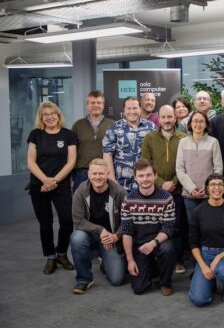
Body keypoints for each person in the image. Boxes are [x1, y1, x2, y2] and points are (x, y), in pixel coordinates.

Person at [27, 101, 77, 274]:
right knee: (45, 223)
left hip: (61, 185)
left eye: (52, 113)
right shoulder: (35, 135)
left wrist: (53, 181)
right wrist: (45, 181)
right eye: (45, 114)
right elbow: (30, 162)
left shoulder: (68, 135)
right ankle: (50, 256)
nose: (49, 117)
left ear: (58, 115)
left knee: (67, 220)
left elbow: (71, 162)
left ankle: (62, 254)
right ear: (41, 117)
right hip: (38, 185)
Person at [141, 105, 188, 274]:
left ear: (175, 118)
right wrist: (161, 183)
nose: (167, 120)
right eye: (163, 117)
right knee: (155, 226)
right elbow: (145, 164)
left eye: (170, 117)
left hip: (178, 191)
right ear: (158, 119)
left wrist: (173, 182)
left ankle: (178, 260)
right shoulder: (149, 138)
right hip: (156, 191)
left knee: (176, 226)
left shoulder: (184, 138)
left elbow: (186, 165)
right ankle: (155, 258)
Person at [70, 158, 128, 294]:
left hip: (112, 238)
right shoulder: (81, 191)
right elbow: (78, 221)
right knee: (77, 238)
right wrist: (101, 230)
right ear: (89, 175)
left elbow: (128, 220)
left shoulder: (119, 192)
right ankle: (84, 279)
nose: (97, 177)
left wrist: (116, 236)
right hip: (89, 236)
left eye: (101, 173)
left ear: (108, 174)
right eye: (94, 174)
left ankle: (104, 261)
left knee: (117, 280)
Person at [121, 159, 177, 295]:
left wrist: (153, 243)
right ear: (135, 178)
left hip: (159, 242)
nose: (145, 179)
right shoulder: (128, 200)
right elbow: (127, 233)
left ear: (155, 175)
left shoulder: (166, 198)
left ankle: (165, 283)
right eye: (141, 176)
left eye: (148, 175)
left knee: (168, 249)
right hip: (139, 245)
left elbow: (168, 229)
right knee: (140, 288)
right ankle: (152, 267)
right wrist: (130, 260)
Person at [188, 174, 224, 307]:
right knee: (199, 300)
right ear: (207, 189)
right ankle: (210, 282)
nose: (216, 187)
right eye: (212, 184)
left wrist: (219, 257)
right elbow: (193, 243)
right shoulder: (198, 212)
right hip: (205, 255)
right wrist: (203, 266)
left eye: (220, 184)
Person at [176, 111, 223, 221]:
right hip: (189, 195)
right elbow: (180, 169)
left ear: (206, 124)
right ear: (190, 124)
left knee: (210, 226)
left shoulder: (213, 142)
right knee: (193, 228)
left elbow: (218, 168)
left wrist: (207, 188)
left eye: (201, 121)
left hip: (209, 194)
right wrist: (191, 189)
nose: (198, 124)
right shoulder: (183, 142)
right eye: (195, 121)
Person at [102, 96, 155, 192]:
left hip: (145, 183)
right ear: (124, 110)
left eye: (135, 108)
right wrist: (112, 180)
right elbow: (107, 154)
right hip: (121, 184)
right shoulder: (114, 127)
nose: (132, 111)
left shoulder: (151, 127)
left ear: (140, 109)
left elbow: (156, 154)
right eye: (129, 108)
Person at [71, 90, 114, 192]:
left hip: (105, 173)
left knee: (105, 206)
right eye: (92, 102)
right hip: (82, 174)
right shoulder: (77, 125)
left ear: (103, 105)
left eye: (99, 102)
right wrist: (71, 177)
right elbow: (72, 154)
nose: (96, 105)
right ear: (87, 105)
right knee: (82, 206)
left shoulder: (113, 125)